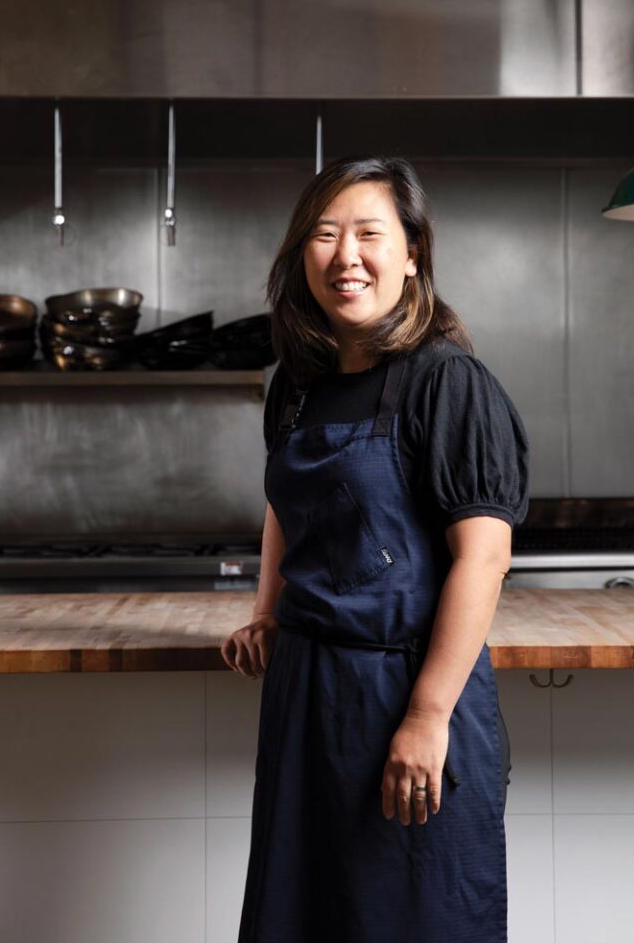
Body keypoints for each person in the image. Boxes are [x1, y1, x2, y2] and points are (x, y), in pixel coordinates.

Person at [221, 156, 529, 943]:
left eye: (369, 233)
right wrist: (267, 609)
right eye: (324, 235)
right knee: (304, 916)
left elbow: (484, 557)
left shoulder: (447, 381)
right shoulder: (297, 382)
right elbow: (284, 500)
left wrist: (428, 716)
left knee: (418, 919)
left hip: (407, 690)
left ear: (413, 250)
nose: (344, 256)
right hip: (306, 696)